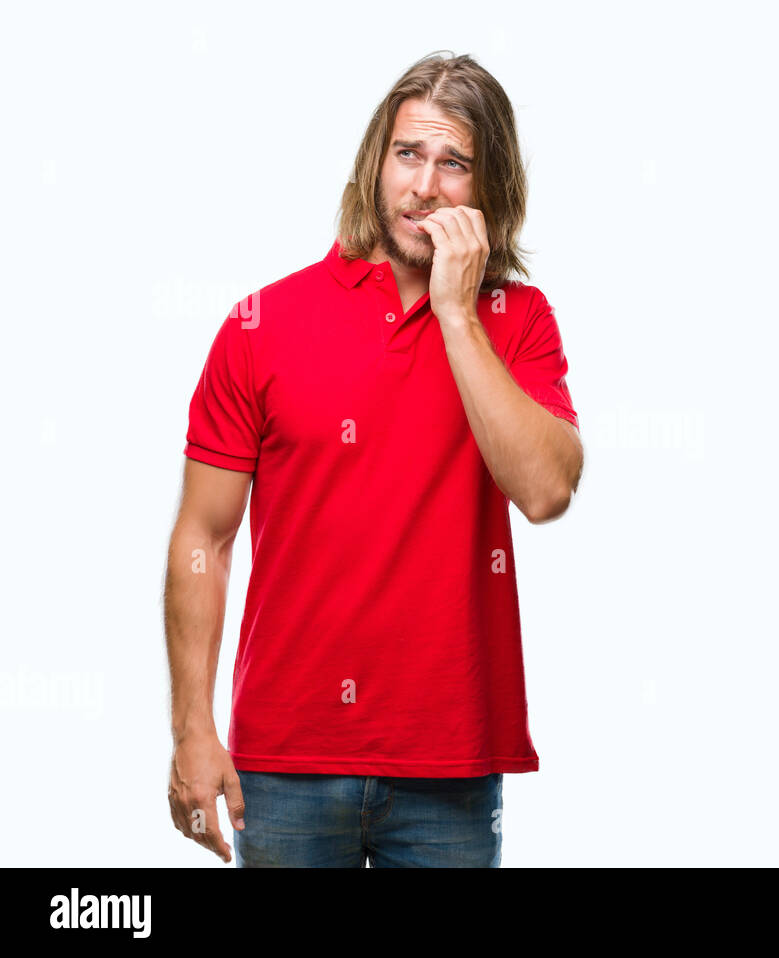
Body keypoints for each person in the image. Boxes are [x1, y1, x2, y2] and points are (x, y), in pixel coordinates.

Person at [163, 51, 583, 868]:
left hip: (451, 766)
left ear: (489, 187)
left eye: (453, 162)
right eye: (407, 155)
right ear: (375, 163)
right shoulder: (263, 323)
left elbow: (545, 491)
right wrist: (191, 730)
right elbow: (203, 540)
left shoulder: (518, 320)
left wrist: (459, 316)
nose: (424, 186)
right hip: (284, 763)